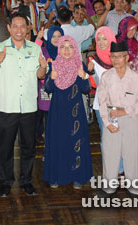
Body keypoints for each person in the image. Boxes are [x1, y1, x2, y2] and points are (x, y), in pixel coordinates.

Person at [0, 13, 47, 197]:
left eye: (23, 26)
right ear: (9, 28)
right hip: (7, 107)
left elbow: (40, 76)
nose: (19, 30)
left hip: (29, 107)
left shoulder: (35, 49)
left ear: (28, 28)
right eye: (16, 26)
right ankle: (5, 182)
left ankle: (26, 181)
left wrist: (43, 67)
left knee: (28, 148)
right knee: (5, 148)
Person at [97, 41, 138, 197]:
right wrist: (106, 122)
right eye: (113, 56)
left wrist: (125, 111)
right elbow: (102, 101)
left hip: (130, 118)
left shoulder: (135, 78)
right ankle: (109, 188)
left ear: (127, 58)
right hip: (112, 118)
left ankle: (133, 189)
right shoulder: (106, 76)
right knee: (110, 153)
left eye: (119, 56)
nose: (116, 60)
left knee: (132, 154)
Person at [42, 36, 92, 189]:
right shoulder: (54, 65)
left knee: (75, 143)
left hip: (76, 114)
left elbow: (86, 89)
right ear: (59, 49)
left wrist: (83, 75)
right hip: (57, 112)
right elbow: (48, 89)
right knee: (57, 143)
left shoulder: (80, 64)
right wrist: (51, 78)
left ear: (75, 49)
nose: (67, 50)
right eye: (63, 47)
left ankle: (77, 176)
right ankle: (55, 176)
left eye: (70, 47)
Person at [37, 27, 63, 140]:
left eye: (59, 36)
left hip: (62, 91)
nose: (57, 39)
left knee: (61, 123)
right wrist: (38, 38)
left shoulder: (65, 51)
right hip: (47, 91)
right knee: (48, 123)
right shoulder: (44, 51)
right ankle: (49, 152)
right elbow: (34, 52)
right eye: (53, 36)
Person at [88, 26, 116, 132]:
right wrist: (90, 72)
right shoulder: (93, 61)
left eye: (105, 39)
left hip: (119, 104)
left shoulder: (119, 58)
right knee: (105, 137)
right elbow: (92, 85)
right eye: (98, 39)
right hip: (101, 105)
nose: (101, 42)